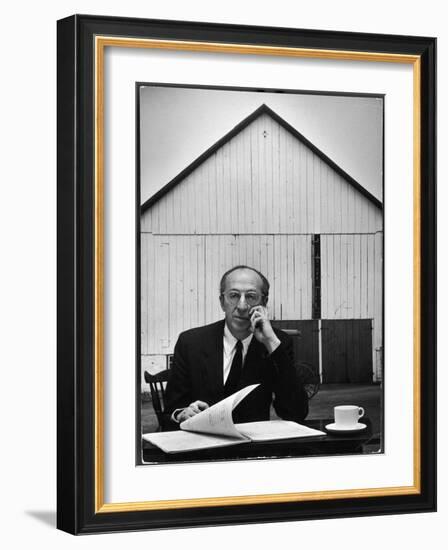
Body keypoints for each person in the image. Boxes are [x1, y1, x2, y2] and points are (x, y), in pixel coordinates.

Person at [164, 265, 309, 427]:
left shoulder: (277, 342)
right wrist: (183, 414)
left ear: (264, 302)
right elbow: (171, 410)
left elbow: (296, 412)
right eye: (233, 296)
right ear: (222, 302)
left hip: (253, 445)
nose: (241, 306)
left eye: (251, 296)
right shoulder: (191, 342)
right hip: (203, 443)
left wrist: (272, 344)